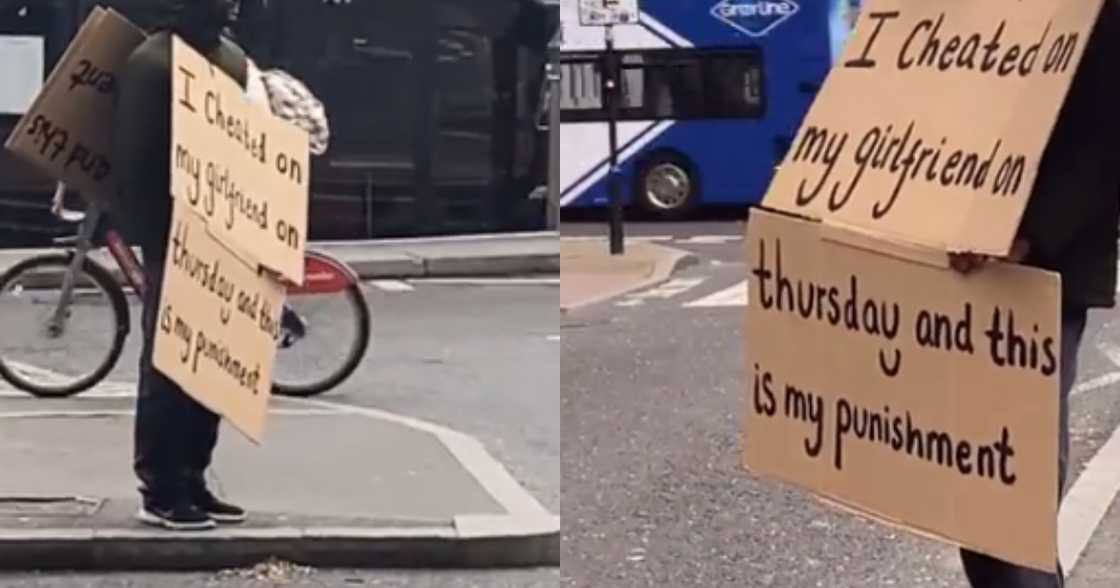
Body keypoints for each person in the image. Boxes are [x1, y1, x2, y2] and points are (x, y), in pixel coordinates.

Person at [949, 3, 1120, 586]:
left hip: (1037, 265)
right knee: (970, 484)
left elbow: (1107, 132)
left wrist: (1028, 232)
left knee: (1007, 483)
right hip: (951, 248)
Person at [112, 0, 249, 531]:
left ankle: (193, 474)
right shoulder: (153, 63)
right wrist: (155, 240)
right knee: (169, 363)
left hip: (224, 234)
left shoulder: (231, 59)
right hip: (175, 235)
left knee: (212, 362)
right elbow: (137, 158)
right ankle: (162, 485)